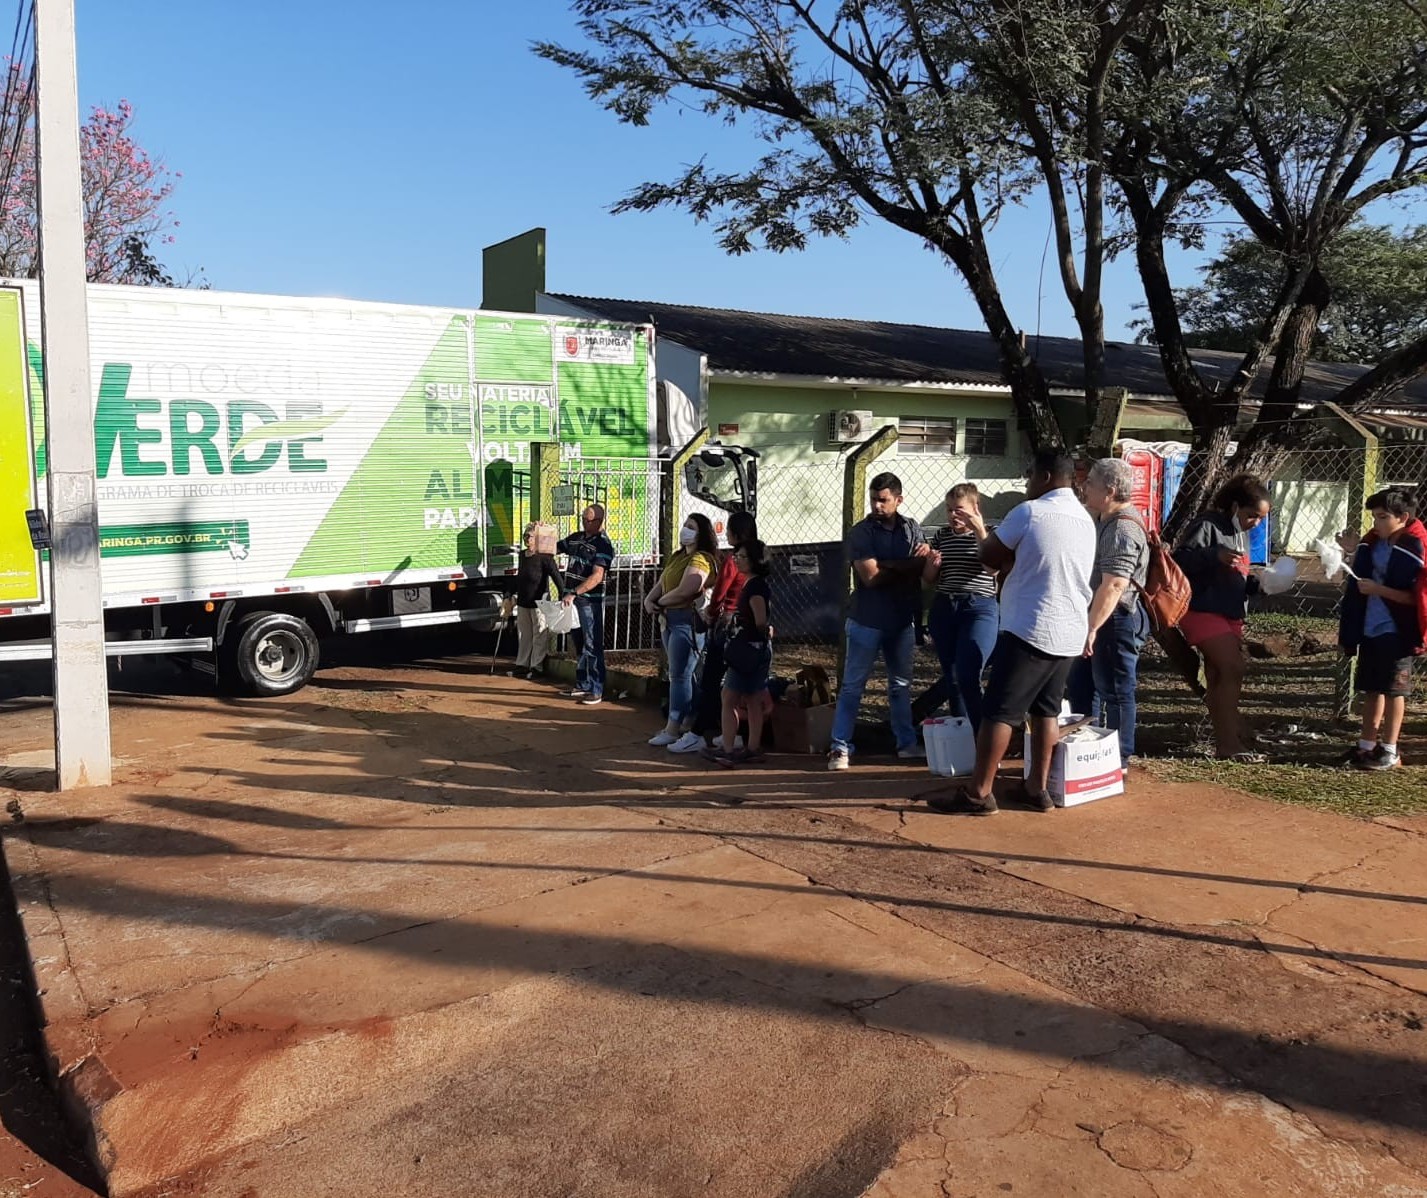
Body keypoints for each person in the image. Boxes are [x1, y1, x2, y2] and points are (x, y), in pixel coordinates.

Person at [928, 450, 1096, 815]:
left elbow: (988, 555)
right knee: (1046, 711)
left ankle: (978, 794)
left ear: (1047, 476)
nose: (1026, 480)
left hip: (1031, 627)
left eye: (1030, 473)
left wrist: (991, 543)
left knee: (999, 711)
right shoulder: (1084, 518)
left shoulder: (1030, 511)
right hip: (1070, 630)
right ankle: (1037, 789)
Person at [828, 471, 934, 770]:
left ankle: (906, 743)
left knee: (900, 685)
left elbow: (925, 571)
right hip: (866, 620)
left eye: (883, 500)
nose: (877, 505)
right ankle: (839, 747)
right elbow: (871, 577)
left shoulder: (911, 528)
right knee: (852, 686)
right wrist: (909, 565)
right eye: (874, 499)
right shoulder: (861, 532)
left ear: (898, 499)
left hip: (902, 621)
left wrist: (895, 564)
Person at [1172, 474, 1271, 760]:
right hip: (1201, 610)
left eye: (1261, 518)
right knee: (1232, 668)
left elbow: (1232, 575)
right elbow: (1180, 562)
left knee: (1219, 675)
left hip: (1229, 611)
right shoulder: (1208, 525)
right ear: (1235, 506)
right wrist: (1214, 555)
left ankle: (1226, 742)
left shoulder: (1240, 532)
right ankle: (1229, 743)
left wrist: (1260, 585)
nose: (1256, 523)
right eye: (1252, 515)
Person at [1067, 459, 1151, 763]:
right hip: (1100, 615)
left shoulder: (1122, 528)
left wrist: (1091, 628)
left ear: (1110, 490)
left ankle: (1119, 758)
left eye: (1090, 482)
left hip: (1116, 618)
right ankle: (1085, 749)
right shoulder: (1103, 517)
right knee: (1082, 685)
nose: (1084, 486)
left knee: (1115, 689)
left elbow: (1115, 585)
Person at [1338, 488, 1427, 771]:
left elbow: (1416, 598)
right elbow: (1363, 576)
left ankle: (1390, 749)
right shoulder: (1374, 543)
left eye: (1383, 517)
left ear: (1402, 517)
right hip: (1371, 628)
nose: (1376, 523)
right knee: (1371, 688)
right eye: (1374, 517)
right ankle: (1367, 746)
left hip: (1398, 631)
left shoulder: (1415, 546)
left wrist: (1379, 590)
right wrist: (1352, 551)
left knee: (1394, 691)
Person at [669, 510, 758, 755]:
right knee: (737, 684)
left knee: (711, 680)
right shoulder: (758, 555)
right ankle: (735, 734)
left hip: (727, 625)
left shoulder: (734, 559)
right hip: (747, 626)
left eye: (729, 529)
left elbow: (721, 589)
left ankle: (698, 733)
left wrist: (712, 612)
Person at [922, 484, 1000, 733]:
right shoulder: (942, 536)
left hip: (979, 606)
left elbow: (993, 569)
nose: (953, 516)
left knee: (969, 672)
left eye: (959, 510)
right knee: (953, 677)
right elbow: (927, 579)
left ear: (975, 509)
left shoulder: (992, 534)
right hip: (946, 606)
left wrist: (979, 531)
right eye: (948, 510)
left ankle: (983, 735)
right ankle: (963, 734)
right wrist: (932, 565)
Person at [643, 513, 719, 746]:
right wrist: (650, 600)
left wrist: (661, 602)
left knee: (680, 675)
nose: (685, 530)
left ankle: (674, 727)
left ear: (702, 533)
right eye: (685, 525)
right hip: (669, 620)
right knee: (683, 676)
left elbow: (688, 588)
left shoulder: (701, 559)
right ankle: (690, 721)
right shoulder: (678, 557)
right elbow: (663, 582)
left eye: (691, 527)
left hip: (686, 621)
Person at [711, 538, 773, 774]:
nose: (736, 559)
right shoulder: (755, 585)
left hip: (748, 649)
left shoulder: (754, 588)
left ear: (755, 561)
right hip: (756, 649)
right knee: (753, 698)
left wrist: (760, 628)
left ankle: (727, 749)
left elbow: (759, 620)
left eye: (742, 556)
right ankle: (752, 747)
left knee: (728, 697)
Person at [557, 504, 615, 707]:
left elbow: (597, 576)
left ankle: (596, 689)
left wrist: (575, 592)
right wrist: (540, 532)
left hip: (589, 601)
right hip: (572, 600)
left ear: (599, 521)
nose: (584, 522)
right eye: (583, 518)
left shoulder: (603, 545)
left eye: (588, 520)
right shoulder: (576, 538)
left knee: (592, 644)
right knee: (579, 642)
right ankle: (583, 683)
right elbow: (554, 547)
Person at [511, 523, 562, 679]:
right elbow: (519, 576)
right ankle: (522, 664)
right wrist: (510, 593)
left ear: (537, 538)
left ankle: (536, 666)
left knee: (539, 633)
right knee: (524, 634)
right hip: (523, 601)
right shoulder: (522, 555)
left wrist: (563, 593)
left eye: (530, 536)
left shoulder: (545, 557)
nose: (527, 539)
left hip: (540, 601)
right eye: (525, 536)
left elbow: (555, 575)